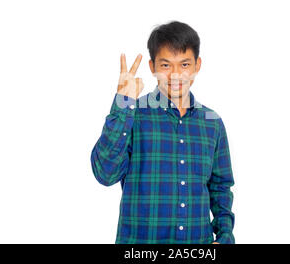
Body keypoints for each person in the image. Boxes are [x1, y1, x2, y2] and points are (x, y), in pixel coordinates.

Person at [90, 21, 235, 244]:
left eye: (184, 64)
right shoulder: (133, 114)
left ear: (197, 65)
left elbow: (220, 187)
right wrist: (122, 105)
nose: (176, 75)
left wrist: (224, 236)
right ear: (152, 67)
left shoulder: (212, 122)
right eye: (166, 65)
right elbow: (105, 174)